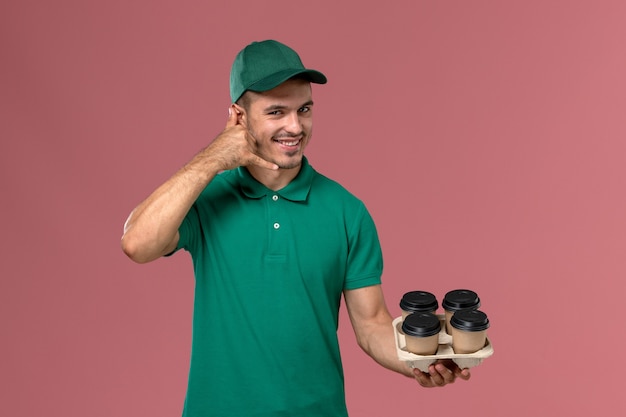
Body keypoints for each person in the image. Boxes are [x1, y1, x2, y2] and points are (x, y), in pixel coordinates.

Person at [121, 39, 470, 417]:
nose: (294, 126)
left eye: (304, 109)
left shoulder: (346, 212)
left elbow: (372, 325)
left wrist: (418, 362)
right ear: (238, 118)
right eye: (276, 112)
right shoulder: (205, 200)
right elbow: (137, 244)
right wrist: (212, 159)